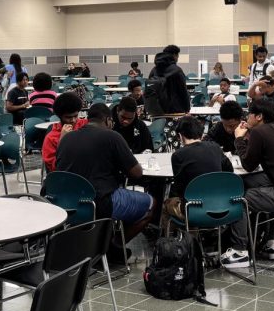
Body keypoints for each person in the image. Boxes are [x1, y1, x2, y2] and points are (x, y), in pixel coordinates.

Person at [56, 103, 154, 260]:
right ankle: (112, 246)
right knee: (150, 205)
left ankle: (102, 242)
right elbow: (136, 173)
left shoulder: (66, 138)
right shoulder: (112, 137)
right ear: (109, 120)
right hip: (100, 202)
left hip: (68, 202)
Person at [222, 98, 274, 268]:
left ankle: (240, 252)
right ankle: (270, 241)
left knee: (239, 198)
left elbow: (247, 164)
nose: (246, 118)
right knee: (247, 182)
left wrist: (238, 138)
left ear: (259, 116)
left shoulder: (260, 133)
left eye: (250, 114)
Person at [162, 116, 232, 228]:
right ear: (201, 133)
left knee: (167, 204)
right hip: (220, 205)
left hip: (192, 209)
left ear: (180, 136)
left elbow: (180, 188)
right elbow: (229, 170)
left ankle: (175, 242)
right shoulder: (215, 147)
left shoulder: (178, 155)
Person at [41, 92, 87, 173]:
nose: (73, 120)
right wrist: (62, 141)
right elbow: (53, 169)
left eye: (76, 116)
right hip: (65, 177)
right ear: (60, 116)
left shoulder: (85, 124)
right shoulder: (51, 138)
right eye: (68, 117)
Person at [148, 45, 190, 116]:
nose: (177, 59)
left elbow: (149, 89)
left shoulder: (154, 70)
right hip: (175, 111)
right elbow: (183, 92)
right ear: (174, 55)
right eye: (177, 57)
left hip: (157, 110)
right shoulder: (177, 70)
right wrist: (187, 109)